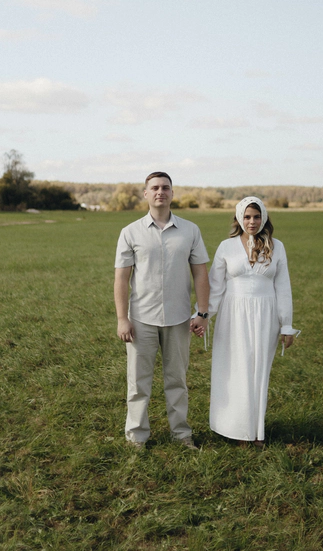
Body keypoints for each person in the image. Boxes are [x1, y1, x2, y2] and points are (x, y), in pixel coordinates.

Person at [114, 171, 210, 449]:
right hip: (141, 319)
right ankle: (137, 436)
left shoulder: (190, 230)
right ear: (146, 193)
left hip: (179, 319)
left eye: (165, 187)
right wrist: (122, 319)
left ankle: (181, 434)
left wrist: (202, 313)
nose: (160, 192)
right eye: (154, 188)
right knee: (138, 382)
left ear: (172, 193)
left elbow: (200, 273)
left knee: (177, 381)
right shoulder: (130, 232)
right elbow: (121, 278)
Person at [207, 196, 300, 446]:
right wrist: (202, 315)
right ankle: (236, 429)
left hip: (265, 316)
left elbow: (283, 288)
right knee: (235, 371)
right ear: (239, 218)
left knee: (258, 372)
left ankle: (255, 431)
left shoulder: (277, 247)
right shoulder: (226, 247)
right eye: (247, 217)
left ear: (264, 218)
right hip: (232, 316)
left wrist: (286, 325)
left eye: (257, 217)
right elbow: (215, 287)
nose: (252, 221)